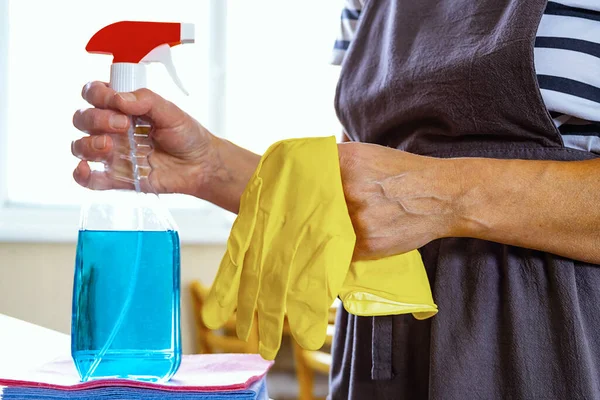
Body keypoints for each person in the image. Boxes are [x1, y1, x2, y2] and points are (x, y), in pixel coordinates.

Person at [71, 0, 600, 398]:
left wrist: (446, 196)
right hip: (376, 358)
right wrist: (209, 169)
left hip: (551, 349)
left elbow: (407, 188)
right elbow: (360, 196)